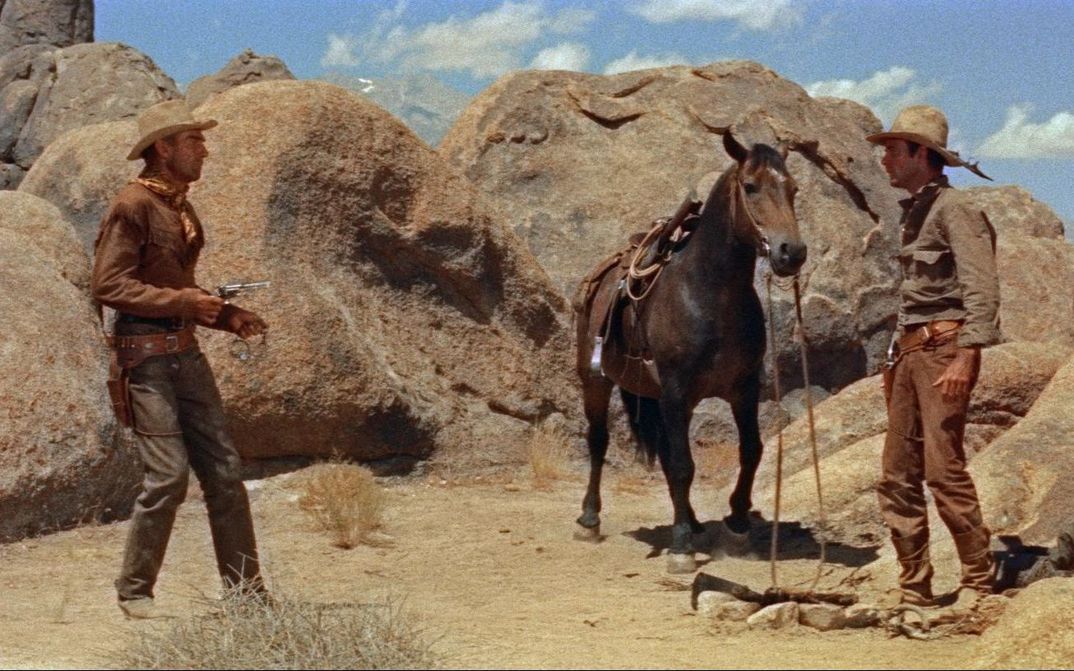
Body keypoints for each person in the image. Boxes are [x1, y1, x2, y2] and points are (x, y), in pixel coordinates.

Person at [91, 99, 269, 619]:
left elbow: (174, 286)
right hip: (144, 362)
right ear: (163, 148)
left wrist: (224, 314)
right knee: (167, 478)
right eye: (194, 141)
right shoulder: (133, 204)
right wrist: (187, 303)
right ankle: (135, 589)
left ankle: (246, 593)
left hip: (184, 355)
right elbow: (108, 284)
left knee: (225, 472)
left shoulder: (178, 205)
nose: (205, 150)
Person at [868, 105, 1000, 610]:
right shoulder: (915, 212)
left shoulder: (955, 210)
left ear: (921, 154)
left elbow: (981, 290)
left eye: (893, 151)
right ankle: (914, 586)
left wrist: (966, 357)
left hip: (945, 351)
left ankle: (977, 582)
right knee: (896, 475)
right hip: (910, 353)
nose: (885, 161)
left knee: (944, 471)